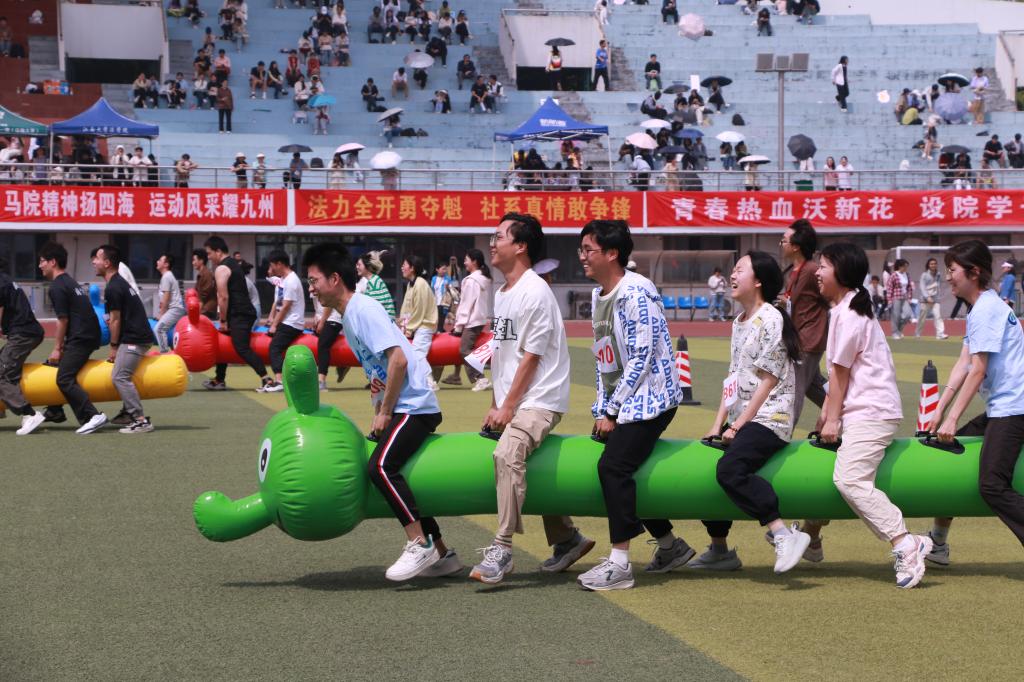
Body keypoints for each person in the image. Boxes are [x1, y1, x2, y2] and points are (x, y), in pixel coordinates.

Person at [303, 243, 462, 580]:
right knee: (401, 474)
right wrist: (379, 409)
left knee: (380, 468)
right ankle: (444, 556)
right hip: (403, 406)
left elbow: (399, 360)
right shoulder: (351, 315)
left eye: (314, 280)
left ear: (334, 279)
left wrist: (385, 413)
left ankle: (419, 544)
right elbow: (379, 370)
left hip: (414, 406)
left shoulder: (363, 310)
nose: (311, 288)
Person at [469, 213, 593, 584]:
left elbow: (531, 357)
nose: (492, 243)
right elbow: (501, 353)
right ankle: (567, 538)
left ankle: (502, 548)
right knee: (527, 464)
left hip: (540, 400)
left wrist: (508, 406)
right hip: (517, 400)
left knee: (508, 453)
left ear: (520, 246)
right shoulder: (503, 291)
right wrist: (496, 402)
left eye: (500, 237)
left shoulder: (534, 291)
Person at [574, 220, 693, 591]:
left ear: (612, 254)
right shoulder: (599, 296)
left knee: (613, 468)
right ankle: (671, 546)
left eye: (588, 250)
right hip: (626, 399)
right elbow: (604, 357)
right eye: (582, 250)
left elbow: (641, 357)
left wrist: (613, 411)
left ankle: (620, 563)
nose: (582, 257)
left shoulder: (636, 293)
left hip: (653, 397)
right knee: (629, 471)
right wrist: (601, 407)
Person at [814, 241, 932, 587]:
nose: (818, 272)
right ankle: (809, 530)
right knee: (844, 476)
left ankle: (905, 541)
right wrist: (827, 414)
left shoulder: (848, 314)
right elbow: (839, 374)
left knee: (850, 479)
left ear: (842, 272)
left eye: (823, 266)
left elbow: (840, 373)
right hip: (868, 409)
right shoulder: (846, 310)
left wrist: (832, 419)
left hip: (871, 411)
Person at [688, 252, 809, 574]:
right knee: (705, 470)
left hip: (771, 419)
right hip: (743, 418)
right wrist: (717, 425)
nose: (731, 275)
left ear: (757, 281)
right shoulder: (738, 322)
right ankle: (719, 549)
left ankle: (783, 533)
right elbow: (733, 377)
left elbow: (768, 380)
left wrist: (738, 425)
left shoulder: (772, 318)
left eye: (739, 269)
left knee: (730, 470)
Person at [924, 240, 1024, 563]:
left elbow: (978, 371)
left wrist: (952, 420)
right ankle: (938, 542)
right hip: (1005, 407)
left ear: (974, 272)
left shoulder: (986, 309)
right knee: (951, 459)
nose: (948, 277)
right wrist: (939, 411)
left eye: (952, 270)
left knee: (992, 485)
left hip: (1015, 408)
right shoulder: (980, 308)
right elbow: (963, 365)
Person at [36, 243, 107, 434]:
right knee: (52, 366)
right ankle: (55, 410)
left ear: (53, 262)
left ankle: (92, 416)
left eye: (42, 261)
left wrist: (57, 348)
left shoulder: (58, 287)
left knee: (64, 378)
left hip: (81, 338)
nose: (39, 265)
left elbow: (62, 320)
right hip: (87, 335)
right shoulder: (69, 281)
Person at [92, 245, 155, 434]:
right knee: (120, 373)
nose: (93, 262)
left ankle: (140, 420)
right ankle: (128, 413)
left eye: (96, 258)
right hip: (135, 336)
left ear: (107, 263)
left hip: (135, 339)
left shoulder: (114, 287)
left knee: (119, 376)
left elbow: (116, 320)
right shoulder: (118, 282)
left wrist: (113, 347)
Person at [202, 236, 272, 391]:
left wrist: (223, 320)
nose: (208, 257)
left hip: (240, 314)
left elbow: (223, 296)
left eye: (209, 253)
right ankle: (219, 379)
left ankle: (267, 379)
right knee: (221, 344)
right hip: (242, 312)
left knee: (241, 347)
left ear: (218, 251)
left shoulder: (222, 268)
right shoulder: (233, 264)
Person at [779, 219, 828, 425]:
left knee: (795, 387)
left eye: (784, 240)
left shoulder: (812, 271)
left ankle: (782, 434)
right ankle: (844, 411)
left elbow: (831, 297)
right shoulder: (795, 271)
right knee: (813, 386)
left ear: (796, 246)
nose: (781, 244)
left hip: (809, 340)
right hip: (799, 337)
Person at [0, 256, 46, 435]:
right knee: (7, 367)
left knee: (1, 373)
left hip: (23, 335)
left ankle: (29, 414)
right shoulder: (7, 281)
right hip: (26, 332)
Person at [442, 249, 492, 391]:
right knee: (462, 347)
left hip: (471, 321)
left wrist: (459, 326)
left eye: (466, 260)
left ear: (474, 262)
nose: (464, 262)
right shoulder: (483, 279)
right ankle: (456, 376)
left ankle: (480, 378)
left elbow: (466, 305)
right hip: (479, 319)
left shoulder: (471, 281)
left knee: (464, 349)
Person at [264, 250, 306, 392]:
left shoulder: (292, 281)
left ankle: (280, 381)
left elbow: (286, 306)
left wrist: (274, 325)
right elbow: (279, 303)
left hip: (293, 323)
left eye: (272, 266)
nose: (272, 269)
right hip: (288, 321)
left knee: (274, 348)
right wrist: (271, 319)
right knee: (275, 347)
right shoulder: (285, 280)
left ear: (280, 264)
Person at [399, 255, 438, 390]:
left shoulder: (420, 284)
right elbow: (406, 308)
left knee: (417, 353)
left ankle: (429, 381)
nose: (402, 268)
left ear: (412, 268)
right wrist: (402, 324)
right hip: (417, 325)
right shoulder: (411, 284)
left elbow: (419, 310)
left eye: (404, 265)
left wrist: (408, 328)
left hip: (425, 325)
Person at [153, 254, 186, 354]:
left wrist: (161, 314)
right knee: (171, 331)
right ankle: (173, 353)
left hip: (175, 309)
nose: (157, 262)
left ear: (166, 264)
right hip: (175, 309)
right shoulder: (167, 276)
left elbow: (166, 296)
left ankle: (164, 353)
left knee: (159, 329)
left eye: (160, 260)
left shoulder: (166, 276)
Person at [916, 258, 948, 339]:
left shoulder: (938, 274)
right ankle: (918, 334)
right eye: (931, 264)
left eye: (934, 263)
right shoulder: (924, 275)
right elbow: (922, 287)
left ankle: (940, 334)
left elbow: (939, 286)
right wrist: (927, 297)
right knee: (922, 318)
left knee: (938, 316)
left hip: (936, 299)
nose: (933, 265)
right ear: (928, 265)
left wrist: (939, 296)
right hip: (925, 300)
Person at [885, 258, 913, 339]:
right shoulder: (894, 275)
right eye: (904, 266)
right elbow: (889, 287)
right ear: (900, 266)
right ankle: (895, 333)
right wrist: (889, 300)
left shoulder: (907, 274)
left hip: (904, 297)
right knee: (896, 316)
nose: (906, 268)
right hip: (896, 297)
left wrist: (910, 297)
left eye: (907, 267)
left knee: (907, 315)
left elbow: (909, 287)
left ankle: (899, 330)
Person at [192, 249, 218, 321]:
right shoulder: (201, 274)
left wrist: (197, 313)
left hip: (207, 311)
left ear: (201, 261)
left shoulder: (207, 274)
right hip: (204, 310)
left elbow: (203, 296)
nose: (193, 263)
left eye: (194, 260)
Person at [430, 262, 452, 333]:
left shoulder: (448, 279)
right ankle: (439, 330)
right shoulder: (434, 279)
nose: (444, 271)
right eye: (443, 269)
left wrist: (448, 288)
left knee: (442, 318)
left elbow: (451, 290)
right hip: (435, 301)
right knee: (436, 318)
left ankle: (439, 330)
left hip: (444, 302)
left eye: (445, 269)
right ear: (437, 269)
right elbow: (432, 290)